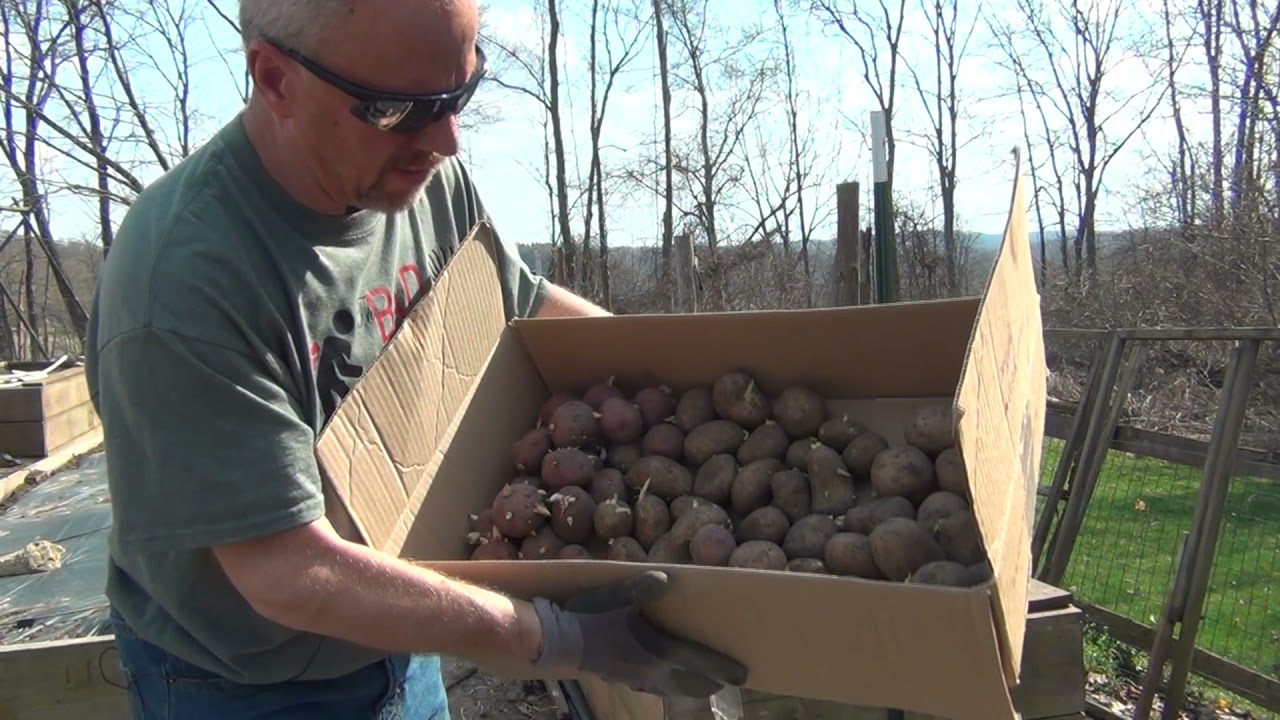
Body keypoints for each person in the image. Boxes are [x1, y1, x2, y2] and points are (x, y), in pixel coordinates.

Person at [83, 0, 748, 718]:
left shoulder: (418, 173)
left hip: (400, 626)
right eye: (399, 108)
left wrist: (686, 382)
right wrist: (551, 638)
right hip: (250, 684)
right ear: (275, 79)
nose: (448, 140)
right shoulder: (182, 283)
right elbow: (285, 571)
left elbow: (519, 304)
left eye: (460, 93)